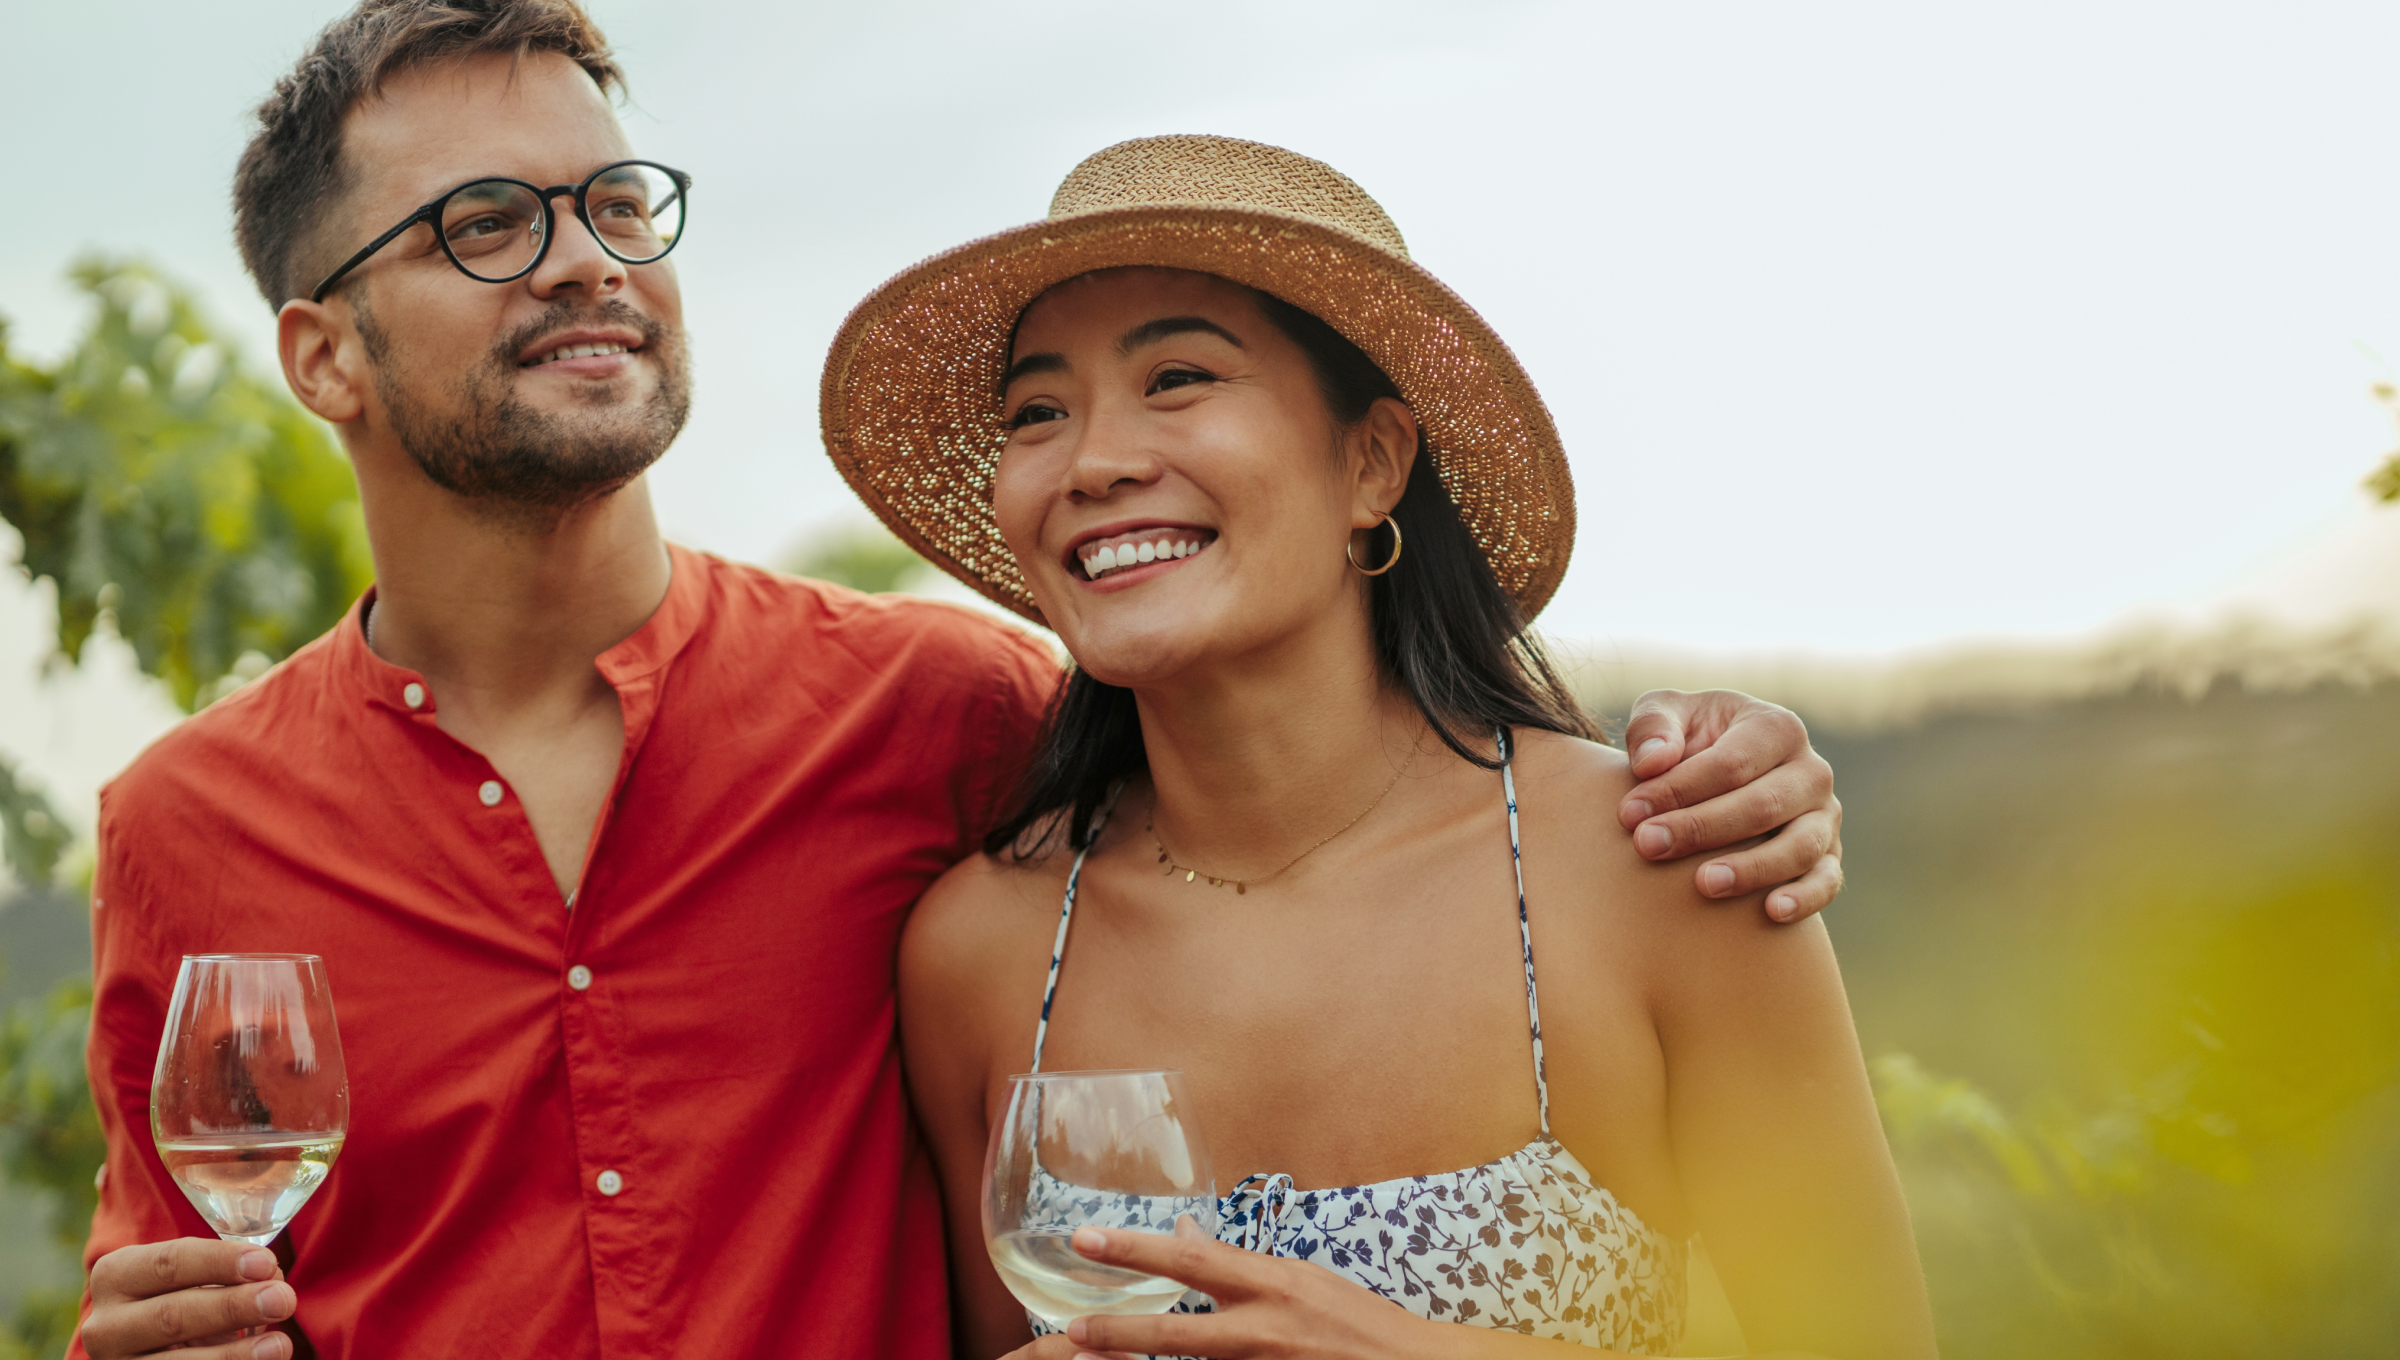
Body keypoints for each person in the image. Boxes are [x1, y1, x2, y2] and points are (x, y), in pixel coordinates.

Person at [70, 6, 1846, 1360]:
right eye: (484, 224)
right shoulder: (189, 829)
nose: (590, 259)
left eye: (614, 201)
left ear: (1376, 459)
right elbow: (188, 1290)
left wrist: (1736, 760)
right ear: (321, 353)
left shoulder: (940, 721)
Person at [858, 137, 1934, 1357]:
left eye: (1177, 379)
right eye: (1038, 411)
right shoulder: (984, 954)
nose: (1095, 460)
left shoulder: (1659, 862)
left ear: (1371, 461)